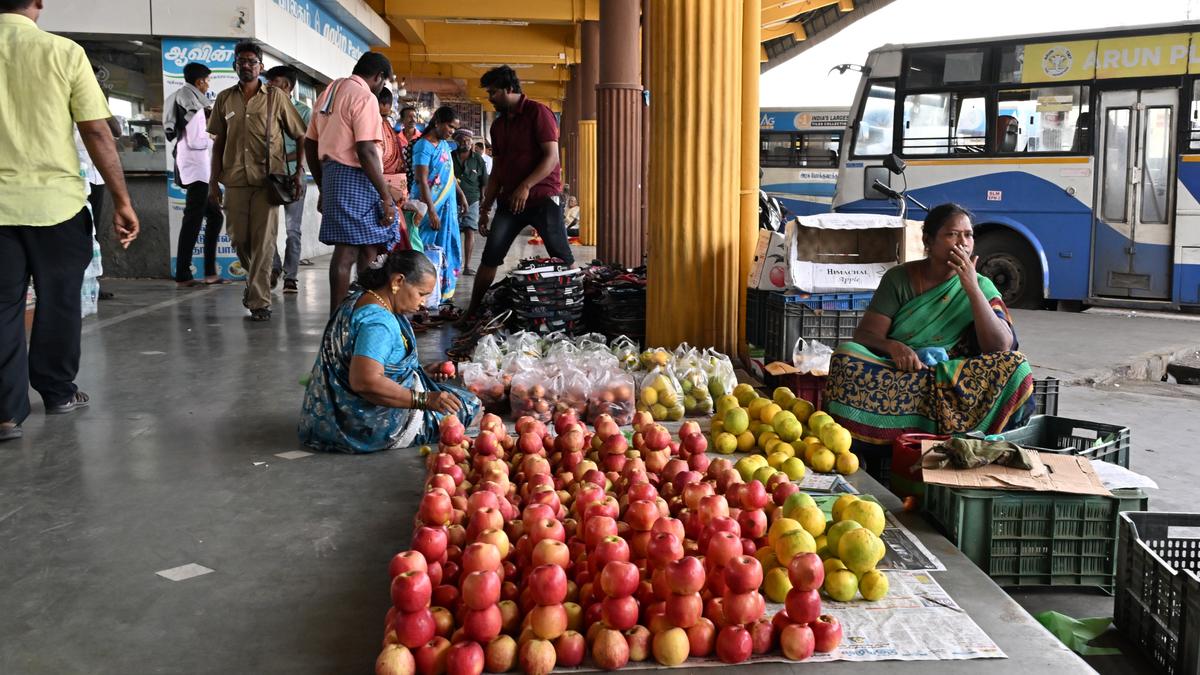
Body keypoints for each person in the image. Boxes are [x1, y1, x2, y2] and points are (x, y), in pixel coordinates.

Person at [0, 0, 139, 442]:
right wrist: (122, 201)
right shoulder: (63, 52)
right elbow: (96, 131)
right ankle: (58, 391)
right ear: (38, 2)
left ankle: (4, 412)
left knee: (2, 307)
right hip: (56, 206)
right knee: (59, 301)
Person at [824, 204, 1034, 448]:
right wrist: (893, 347)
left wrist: (971, 287)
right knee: (845, 356)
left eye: (968, 235)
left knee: (1017, 366)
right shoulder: (899, 279)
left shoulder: (982, 286)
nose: (963, 243)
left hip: (953, 377)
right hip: (899, 372)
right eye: (952, 234)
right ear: (928, 241)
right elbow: (865, 335)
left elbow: (1000, 347)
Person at [298, 249, 479, 453]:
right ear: (398, 281)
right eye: (421, 294)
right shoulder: (379, 323)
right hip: (362, 426)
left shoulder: (361, 298)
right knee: (470, 405)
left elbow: (371, 360)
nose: (423, 303)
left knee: (452, 396)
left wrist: (420, 372)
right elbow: (364, 381)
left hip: (328, 417)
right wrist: (424, 400)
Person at [459, 66, 573, 324]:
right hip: (510, 201)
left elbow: (551, 157)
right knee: (490, 256)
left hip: (543, 198)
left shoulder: (538, 113)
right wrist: (485, 208)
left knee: (562, 258)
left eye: (493, 92)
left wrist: (526, 186)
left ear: (509, 89)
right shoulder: (498, 126)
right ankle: (472, 312)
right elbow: (498, 170)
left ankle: (574, 312)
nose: (490, 98)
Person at [208, 41, 308, 321]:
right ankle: (255, 283)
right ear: (234, 65)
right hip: (235, 180)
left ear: (261, 66)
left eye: (252, 61)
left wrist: (299, 171)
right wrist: (212, 181)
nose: (247, 66)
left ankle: (259, 301)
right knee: (238, 239)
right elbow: (218, 143)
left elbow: (300, 134)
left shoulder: (275, 97)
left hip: (268, 182)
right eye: (242, 61)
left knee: (264, 243)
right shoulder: (225, 99)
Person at [304, 52, 400, 316]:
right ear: (379, 77)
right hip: (357, 176)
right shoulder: (364, 97)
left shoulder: (329, 92)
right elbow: (366, 150)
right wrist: (386, 196)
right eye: (383, 82)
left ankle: (360, 310)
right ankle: (342, 317)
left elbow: (310, 143)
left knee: (368, 246)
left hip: (333, 175)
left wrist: (323, 185)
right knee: (347, 252)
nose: (381, 87)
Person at [165, 62, 226, 287]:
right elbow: (196, 140)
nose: (208, 85)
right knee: (192, 220)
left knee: (214, 217)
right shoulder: (193, 105)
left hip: (196, 167)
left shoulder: (185, 99)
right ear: (200, 82)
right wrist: (214, 139)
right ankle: (184, 274)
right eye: (207, 81)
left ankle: (208, 272)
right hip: (196, 169)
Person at [412, 106, 469, 305]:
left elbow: (449, 174)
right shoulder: (423, 146)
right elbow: (422, 180)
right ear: (437, 122)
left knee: (447, 247)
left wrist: (461, 195)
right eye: (450, 126)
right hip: (429, 207)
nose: (452, 132)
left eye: (454, 128)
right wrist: (432, 211)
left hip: (447, 207)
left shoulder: (444, 145)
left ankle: (443, 293)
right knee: (426, 249)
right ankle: (423, 295)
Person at [265, 65, 312, 295]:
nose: (268, 86)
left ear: (286, 86)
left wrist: (291, 164)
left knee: (293, 229)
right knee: (267, 229)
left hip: (294, 176)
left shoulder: (303, 112)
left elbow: (307, 144)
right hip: (268, 177)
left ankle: (290, 276)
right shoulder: (263, 109)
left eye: (273, 82)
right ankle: (274, 267)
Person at [453, 128, 488, 275]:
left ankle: (467, 266)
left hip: (473, 199)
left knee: (469, 231)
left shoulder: (478, 159)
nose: (465, 143)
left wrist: (483, 199)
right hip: (452, 200)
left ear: (472, 142)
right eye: (462, 140)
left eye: (468, 140)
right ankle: (454, 265)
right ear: (456, 141)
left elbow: (484, 181)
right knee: (453, 232)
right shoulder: (450, 156)